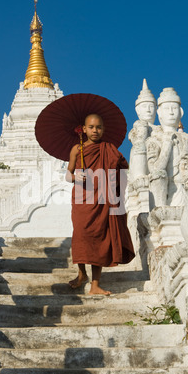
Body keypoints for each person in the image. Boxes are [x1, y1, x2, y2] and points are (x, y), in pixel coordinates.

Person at [66, 114, 135, 295]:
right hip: (82, 197)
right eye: (91, 127)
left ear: (103, 129)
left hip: (103, 196)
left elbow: (121, 169)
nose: (95, 130)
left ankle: (95, 284)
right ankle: (82, 273)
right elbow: (68, 174)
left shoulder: (109, 149)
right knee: (81, 234)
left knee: (99, 237)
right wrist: (76, 177)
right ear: (84, 129)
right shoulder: (76, 149)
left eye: (98, 127)